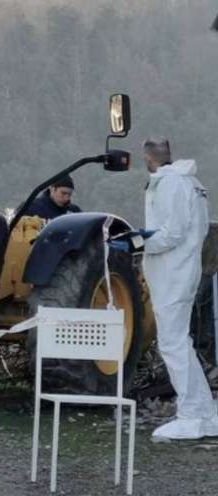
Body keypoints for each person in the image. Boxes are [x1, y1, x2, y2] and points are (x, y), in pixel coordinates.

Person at [127, 139, 218, 440]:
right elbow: (197, 230)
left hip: (172, 273)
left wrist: (137, 242)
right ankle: (204, 412)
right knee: (180, 343)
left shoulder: (170, 184)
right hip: (182, 269)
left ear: (147, 158)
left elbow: (172, 233)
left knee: (173, 344)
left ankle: (192, 415)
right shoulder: (191, 184)